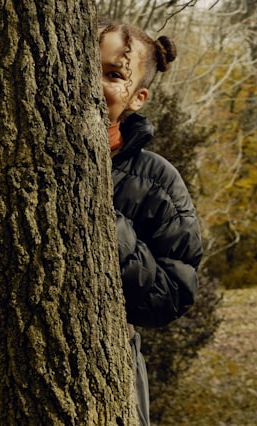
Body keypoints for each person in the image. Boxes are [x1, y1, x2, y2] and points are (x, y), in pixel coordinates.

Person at [98, 19, 203, 425]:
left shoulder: (157, 180)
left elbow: (174, 295)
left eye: (112, 75)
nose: (93, 85)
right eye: (85, 68)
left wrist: (112, 232)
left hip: (110, 370)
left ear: (138, 97)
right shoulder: (19, 154)